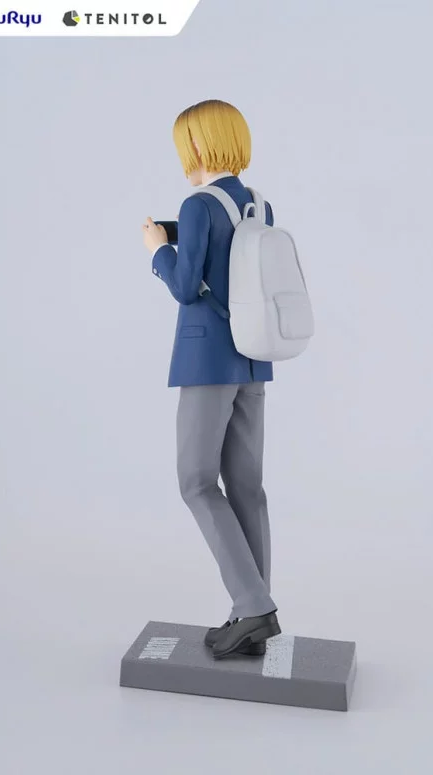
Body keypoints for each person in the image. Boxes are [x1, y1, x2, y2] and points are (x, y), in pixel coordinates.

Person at [141, 100, 281, 659]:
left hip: (207, 362)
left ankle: (254, 606)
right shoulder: (258, 205)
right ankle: (252, 614)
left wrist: (160, 251)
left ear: (197, 144)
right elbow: (227, 252)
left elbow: (184, 286)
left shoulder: (198, 203)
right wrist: (178, 232)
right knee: (246, 487)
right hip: (252, 358)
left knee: (196, 482)